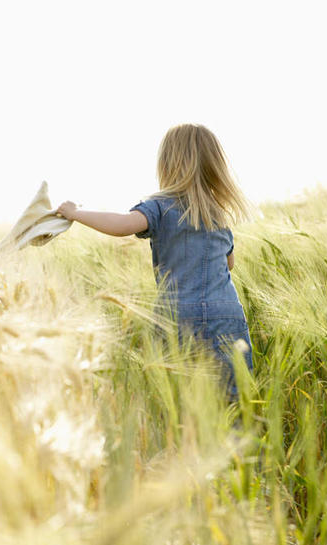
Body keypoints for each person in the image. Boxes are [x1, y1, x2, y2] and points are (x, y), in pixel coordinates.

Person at [56, 123, 253, 397]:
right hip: (227, 314)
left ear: (167, 164)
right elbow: (228, 264)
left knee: (183, 400)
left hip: (178, 316)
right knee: (234, 399)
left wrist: (76, 213)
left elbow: (123, 224)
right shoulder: (217, 214)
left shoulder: (159, 206)